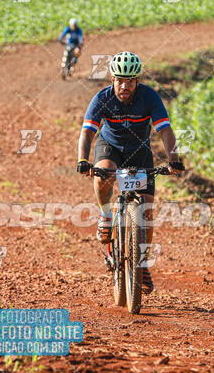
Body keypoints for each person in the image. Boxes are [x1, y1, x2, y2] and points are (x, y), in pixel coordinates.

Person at [77, 51, 184, 293]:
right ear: (112, 79)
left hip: (140, 150)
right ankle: (105, 215)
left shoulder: (149, 97)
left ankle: (142, 262)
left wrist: (173, 159)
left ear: (137, 81)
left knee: (146, 210)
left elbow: (165, 130)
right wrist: (83, 159)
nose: (125, 86)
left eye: (130, 81)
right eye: (120, 80)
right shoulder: (102, 98)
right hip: (110, 146)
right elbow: (87, 132)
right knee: (102, 173)